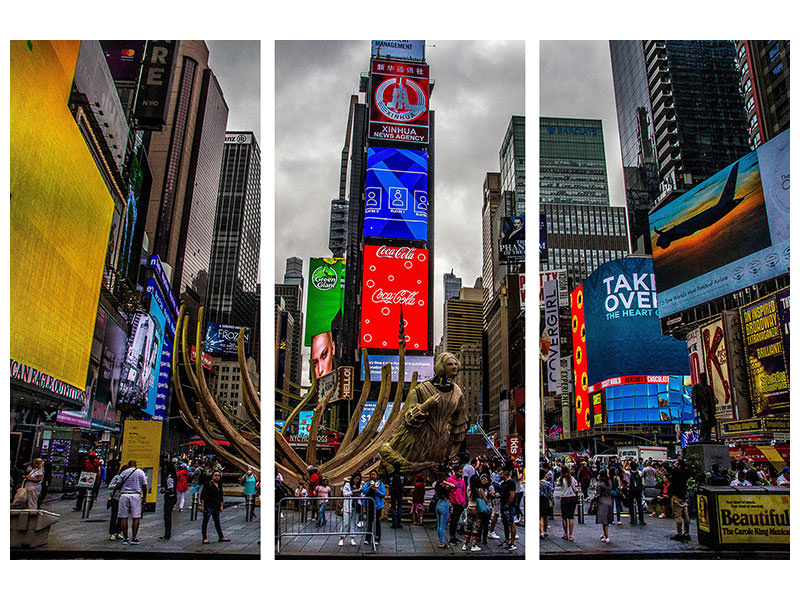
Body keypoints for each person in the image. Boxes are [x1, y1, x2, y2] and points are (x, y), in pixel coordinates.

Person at [116, 459, 148, 545]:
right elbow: (144, 485)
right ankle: (134, 538)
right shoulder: (140, 472)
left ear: (128, 464)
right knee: (136, 517)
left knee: (123, 517)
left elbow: (118, 485)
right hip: (136, 495)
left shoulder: (124, 472)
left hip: (124, 495)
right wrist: (144, 497)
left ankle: (125, 538)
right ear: (136, 465)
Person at [200, 470, 230, 544]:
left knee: (217, 522)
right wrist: (202, 505)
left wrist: (221, 505)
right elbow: (203, 495)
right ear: (212, 476)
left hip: (216, 506)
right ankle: (204, 538)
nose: (217, 477)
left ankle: (221, 536)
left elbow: (221, 495)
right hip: (208, 506)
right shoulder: (208, 484)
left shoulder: (219, 485)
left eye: (218, 475)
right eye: (215, 475)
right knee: (205, 522)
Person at [668, 460, 691, 541]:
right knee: (686, 515)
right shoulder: (685, 473)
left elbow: (669, 470)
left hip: (676, 496)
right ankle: (687, 533)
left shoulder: (676, 473)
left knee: (678, 515)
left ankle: (679, 533)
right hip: (683, 496)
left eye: (676, 464)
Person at [361, 470, 385, 545]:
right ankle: (368, 538)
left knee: (377, 522)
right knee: (369, 522)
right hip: (369, 504)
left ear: (377, 475)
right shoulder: (368, 483)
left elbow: (383, 494)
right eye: (371, 474)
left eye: (374, 474)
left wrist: (376, 490)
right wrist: (369, 488)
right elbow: (363, 490)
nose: (373, 476)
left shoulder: (380, 484)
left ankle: (377, 538)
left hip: (377, 505)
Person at [462, 474, 484, 552]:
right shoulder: (479, 490)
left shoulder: (468, 488)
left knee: (468, 527)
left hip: (469, 508)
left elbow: (468, 498)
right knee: (475, 528)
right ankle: (473, 545)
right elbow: (482, 499)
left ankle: (465, 544)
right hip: (476, 509)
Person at [692, 373, 716, 441]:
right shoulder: (697, 387)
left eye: (705, 377)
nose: (704, 379)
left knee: (710, 422)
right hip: (702, 407)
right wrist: (695, 405)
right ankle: (702, 435)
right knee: (705, 421)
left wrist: (713, 408)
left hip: (710, 407)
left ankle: (708, 435)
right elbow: (694, 397)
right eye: (703, 377)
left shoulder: (709, 388)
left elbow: (712, 399)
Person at [339, 472, 362, 546]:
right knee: (346, 522)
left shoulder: (360, 486)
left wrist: (360, 494)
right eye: (356, 479)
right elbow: (344, 494)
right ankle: (342, 538)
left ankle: (352, 538)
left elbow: (362, 495)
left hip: (355, 506)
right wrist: (352, 492)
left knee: (353, 523)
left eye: (358, 479)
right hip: (347, 506)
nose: (357, 480)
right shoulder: (348, 485)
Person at [558, 466, 579, 541]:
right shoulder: (573, 479)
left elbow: (559, 485)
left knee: (564, 517)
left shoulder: (561, 479)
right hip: (572, 498)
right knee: (571, 517)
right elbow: (576, 489)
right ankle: (571, 535)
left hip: (564, 498)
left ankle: (565, 533)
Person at [446, 467, 466, 544]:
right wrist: (450, 502)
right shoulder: (450, 480)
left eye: (461, 472)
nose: (461, 474)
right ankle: (452, 537)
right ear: (455, 471)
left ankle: (454, 536)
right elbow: (447, 491)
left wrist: (463, 501)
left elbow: (463, 491)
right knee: (453, 521)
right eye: (459, 472)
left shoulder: (462, 481)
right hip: (454, 503)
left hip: (460, 503)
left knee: (457, 520)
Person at [499, 469, 517, 551]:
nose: (500, 475)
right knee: (505, 523)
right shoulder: (503, 483)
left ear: (505, 474)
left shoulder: (511, 483)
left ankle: (512, 543)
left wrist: (507, 504)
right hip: (503, 505)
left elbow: (512, 495)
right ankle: (507, 540)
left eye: (501, 474)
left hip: (509, 506)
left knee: (511, 523)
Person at [434, 475, 453, 548]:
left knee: (439, 525)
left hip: (438, 504)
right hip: (444, 505)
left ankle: (440, 541)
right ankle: (442, 543)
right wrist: (446, 482)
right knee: (443, 525)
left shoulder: (438, 489)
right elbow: (453, 486)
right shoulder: (445, 489)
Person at [106, 466, 125, 540]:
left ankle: (118, 532)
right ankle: (112, 533)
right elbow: (110, 486)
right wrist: (117, 486)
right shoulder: (117, 477)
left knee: (122, 516)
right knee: (114, 516)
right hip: (115, 498)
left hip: (123, 498)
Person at [159, 462, 177, 540]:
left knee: (167, 517)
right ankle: (167, 534)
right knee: (167, 517)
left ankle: (167, 534)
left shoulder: (169, 478)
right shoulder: (173, 477)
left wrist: (164, 491)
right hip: (172, 498)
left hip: (169, 498)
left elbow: (171, 490)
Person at [595, 470, 613, 543]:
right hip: (609, 500)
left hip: (602, 501)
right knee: (607, 520)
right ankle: (606, 534)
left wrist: (595, 493)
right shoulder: (609, 482)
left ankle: (606, 536)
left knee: (604, 520)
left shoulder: (599, 484)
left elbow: (598, 494)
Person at [628, 462, 646, 526]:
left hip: (631, 490)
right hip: (638, 490)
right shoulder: (640, 473)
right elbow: (642, 482)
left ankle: (632, 519)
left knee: (631, 505)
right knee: (639, 505)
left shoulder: (629, 473)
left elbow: (623, 471)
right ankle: (641, 520)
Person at [539, 468, 553, 539]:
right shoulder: (547, 483)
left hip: (539, 499)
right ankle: (544, 530)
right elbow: (550, 493)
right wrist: (552, 500)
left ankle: (541, 531)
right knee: (545, 516)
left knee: (540, 516)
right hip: (545, 499)